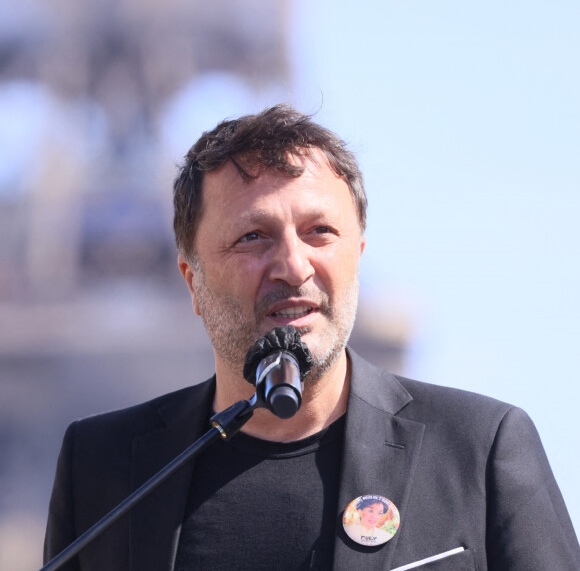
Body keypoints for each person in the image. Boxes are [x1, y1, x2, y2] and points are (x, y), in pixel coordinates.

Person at [44, 104, 580, 570]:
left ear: (359, 257)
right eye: (253, 237)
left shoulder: (480, 450)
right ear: (193, 280)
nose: (293, 266)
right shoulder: (103, 469)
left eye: (319, 232)